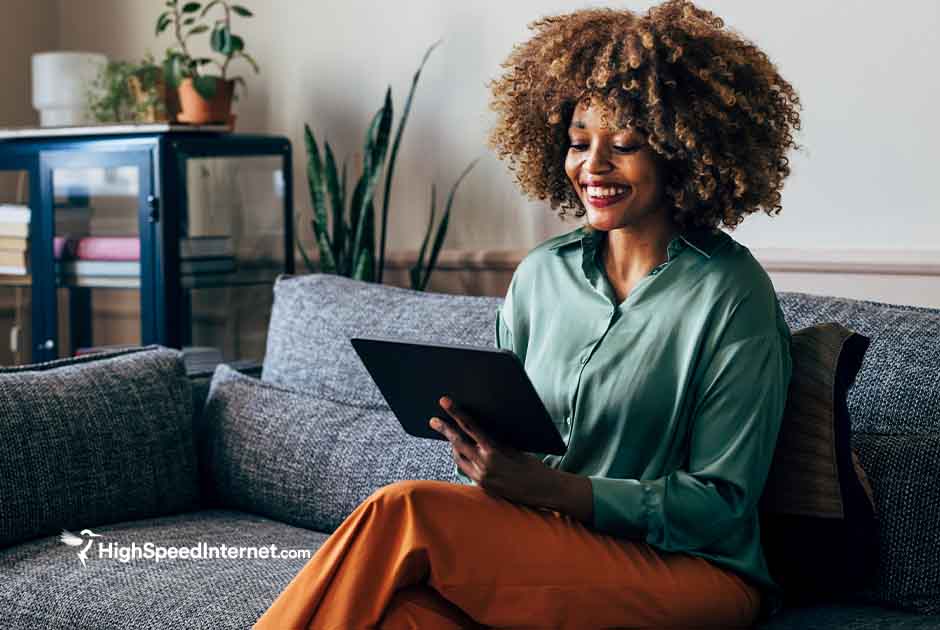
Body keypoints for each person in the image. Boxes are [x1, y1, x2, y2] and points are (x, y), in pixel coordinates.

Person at [255, 0, 802, 627]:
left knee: (405, 511)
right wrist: (490, 459)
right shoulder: (542, 276)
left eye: (623, 144)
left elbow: (723, 505)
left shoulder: (732, 296)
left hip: (692, 571)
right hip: (548, 546)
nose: (592, 166)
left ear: (680, 154)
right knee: (400, 616)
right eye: (577, 143)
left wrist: (556, 491)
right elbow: (519, 443)